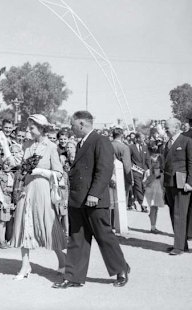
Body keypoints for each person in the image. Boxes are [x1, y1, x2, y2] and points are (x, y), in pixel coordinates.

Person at [53, 111, 129, 289]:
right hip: (78, 200)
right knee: (77, 238)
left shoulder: (100, 141)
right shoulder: (82, 142)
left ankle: (121, 270)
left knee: (104, 236)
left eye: (73, 125)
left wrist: (94, 194)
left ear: (81, 124)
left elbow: (104, 170)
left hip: (94, 200)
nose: (71, 129)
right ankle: (73, 276)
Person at [10, 114, 66, 280]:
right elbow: (21, 166)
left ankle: (63, 261)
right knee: (23, 222)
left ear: (41, 128)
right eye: (28, 127)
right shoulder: (26, 145)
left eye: (32, 128)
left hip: (42, 189)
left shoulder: (51, 147)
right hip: (26, 188)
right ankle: (25, 265)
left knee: (48, 223)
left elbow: (59, 173)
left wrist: (40, 171)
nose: (29, 130)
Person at [163, 118, 192, 255]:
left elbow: (191, 163)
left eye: (167, 127)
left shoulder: (186, 141)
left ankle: (179, 247)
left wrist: (189, 182)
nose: (165, 129)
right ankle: (181, 244)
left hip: (182, 184)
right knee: (173, 213)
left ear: (176, 127)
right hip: (169, 183)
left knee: (180, 214)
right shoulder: (167, 142)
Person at [110, 128, 135, 210]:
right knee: (122, 201)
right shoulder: (124, 147)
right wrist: (130, 179)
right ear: (121, 135)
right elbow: (127, 165)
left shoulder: (107, 145)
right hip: (122, 177)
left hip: (108, 176)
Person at [129, 133, 149, 213]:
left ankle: (131, 202)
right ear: (137, 139)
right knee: (138, 188)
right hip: (135, 171)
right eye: (142, 138)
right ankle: (143, 205)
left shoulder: (144, 147)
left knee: (143, 188)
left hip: (144, 172)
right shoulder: (131, 147)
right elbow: (129, 160)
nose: (144, 139)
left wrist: (148, 169)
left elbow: (147, 159)